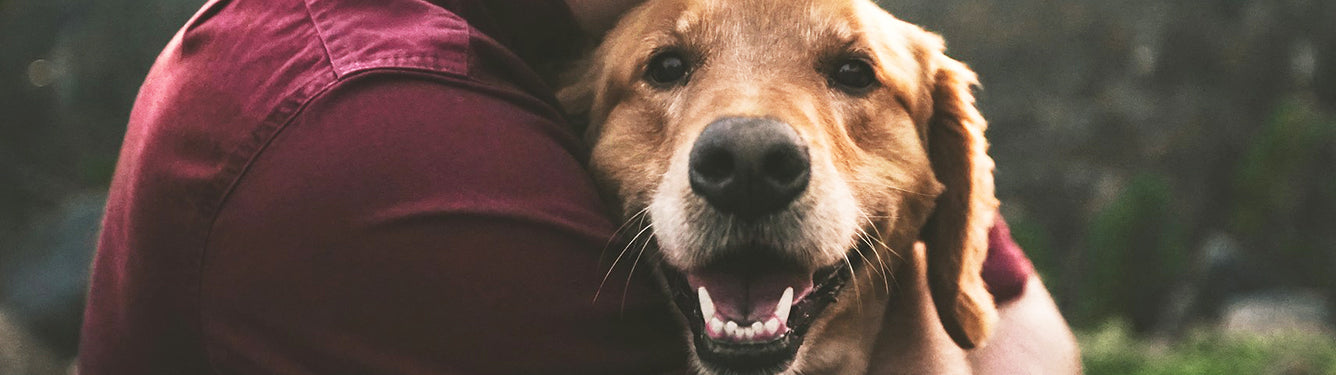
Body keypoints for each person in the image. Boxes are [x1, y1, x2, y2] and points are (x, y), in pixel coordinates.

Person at [78, 0, 1056, 373]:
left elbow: (1035, 342)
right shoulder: (385, 129)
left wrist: (921, 270)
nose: (750, 138)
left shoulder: (572, 33)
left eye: (848, 76)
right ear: (573, 128)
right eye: (671, 72)